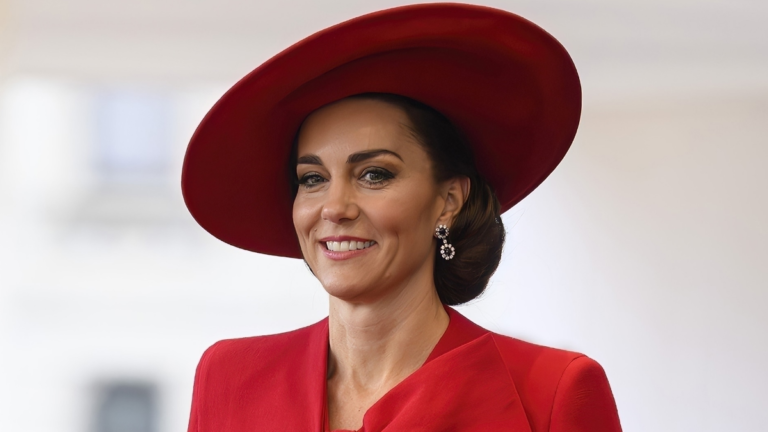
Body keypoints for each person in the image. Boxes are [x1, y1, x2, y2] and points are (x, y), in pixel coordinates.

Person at [182, 3, 622, 432]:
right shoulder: (227, 378)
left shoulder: (552, 393)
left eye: (374, 174)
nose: (334, 207)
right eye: (312, 178)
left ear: (448, 200)